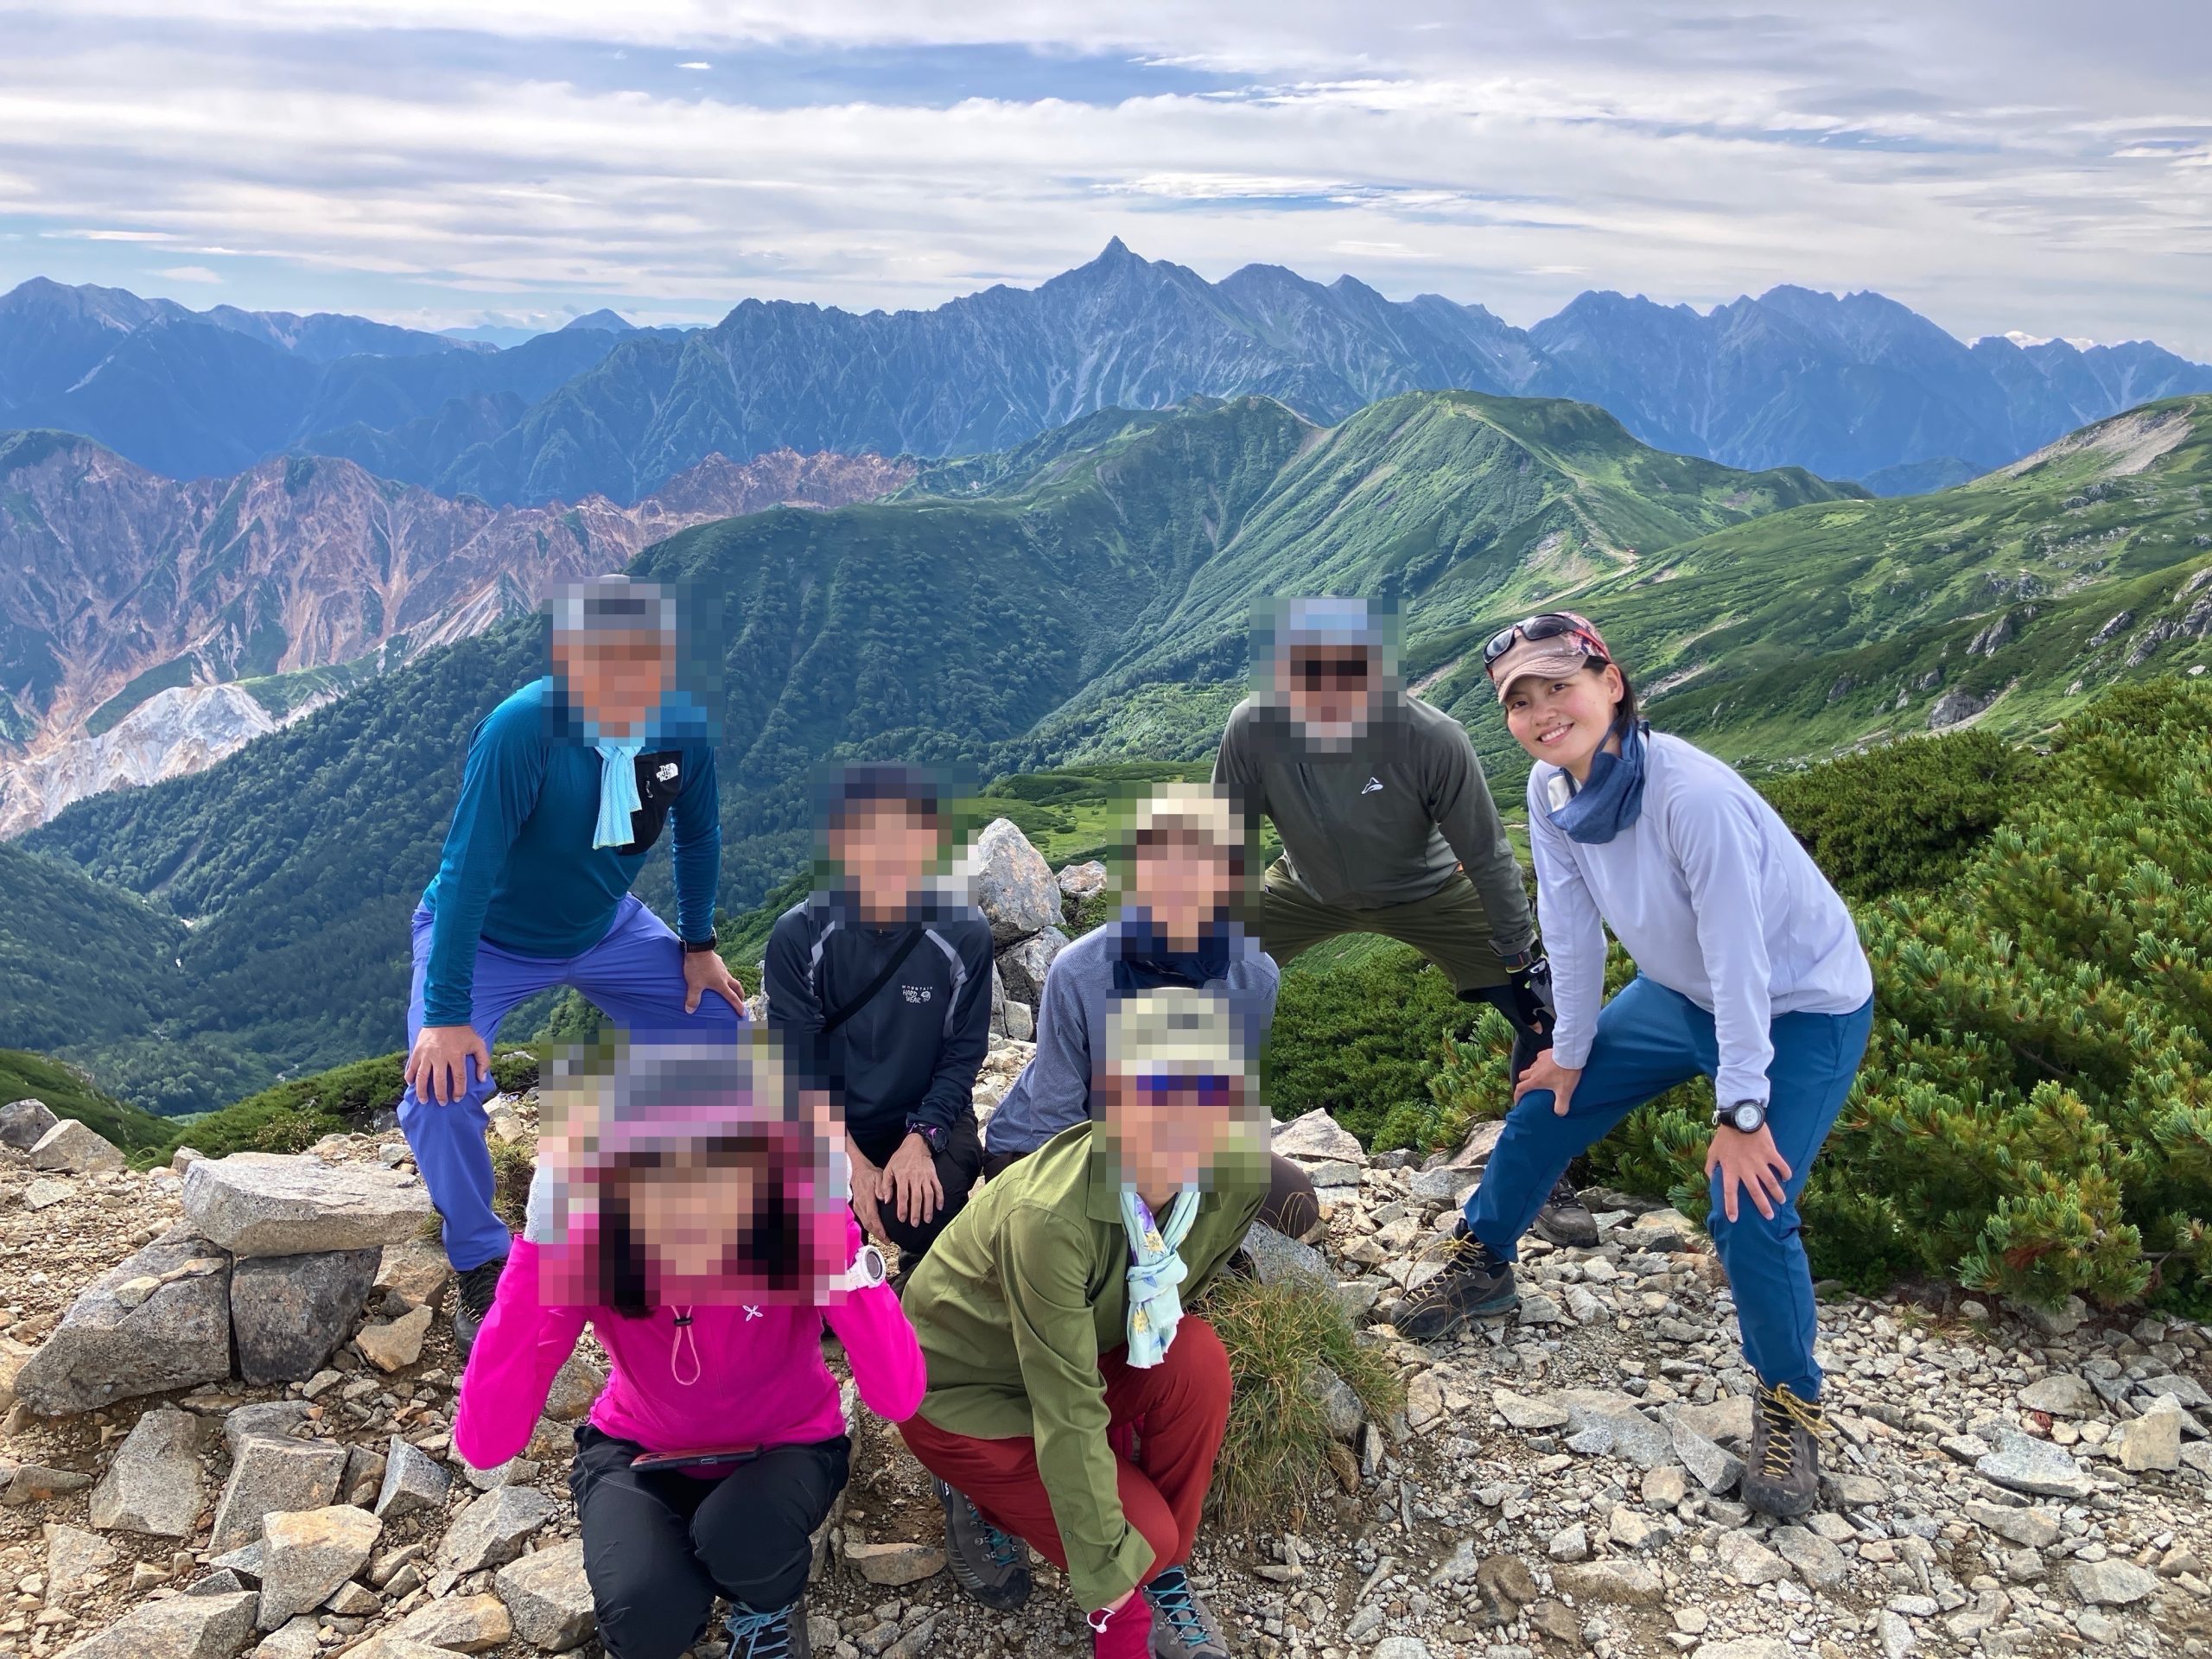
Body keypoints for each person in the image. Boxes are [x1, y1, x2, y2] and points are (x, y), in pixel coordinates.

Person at [1395, 610, 1875, 1518]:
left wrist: (1741, 1111)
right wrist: (1569, 1050)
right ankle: (1484, 1263)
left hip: (1802, 1007)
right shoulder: (1550, 788)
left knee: (1748, 1200)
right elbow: (1569, 925)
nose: (1543, 712)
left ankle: (1790, 1403)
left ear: (1610, 684)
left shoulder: (1691, 797)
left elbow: (1741, 958)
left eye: (1560, 687)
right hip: (1676, 992)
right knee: (1545, 1107)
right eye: (1520, 701)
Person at [453, 1040, 924, 1659]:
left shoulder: (790, 1226)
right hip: (639, 1450)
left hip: (786, 1443)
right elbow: (487, 1443)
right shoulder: (595, 1245)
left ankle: (766, 1606)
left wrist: (836, 1234)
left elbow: (898, 1395)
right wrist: (536, 1255)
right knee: (645, 1617)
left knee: (740, 1537)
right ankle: (699, 1575)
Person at [401, 577, 747, 1356]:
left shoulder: (681, 726)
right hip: (490, 937)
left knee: (722, 1029)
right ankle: (482, 1259)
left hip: (604, 924)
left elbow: (699, 833)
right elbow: (467, 870)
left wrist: (698, 946)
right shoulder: (521, 729)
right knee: (438, 1091)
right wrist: (447, 1015)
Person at [1211, 594, 1595, 1246]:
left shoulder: (1431, 738)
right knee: (1190, 974)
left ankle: (1543, 1176)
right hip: (1306, 888)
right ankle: (1181, 1142)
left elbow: (1486, 853)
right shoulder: (1254, 728)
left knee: (1542, 1011)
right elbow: (1225, 836)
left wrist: (1520, 953)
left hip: (1431, 891)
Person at [899, 988, 1268, 1659]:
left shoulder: (1237, 1179)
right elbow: (1068, 1413)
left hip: (1063, 1357)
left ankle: (1158, 1572)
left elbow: (1165, 1309)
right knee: (1139, 1537)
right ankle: (981, 1494)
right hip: (961, 1390)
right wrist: (1114, 1608)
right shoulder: (1049, 1218)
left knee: (1198, 1361)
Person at [982, 781, 1317, 1240]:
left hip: (1171, 1140)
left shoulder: (1254, 975)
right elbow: (1056, 1120)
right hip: (1054, 1142)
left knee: (1294, 1202)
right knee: (1059, 1224)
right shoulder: (1079, 970)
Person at [763, 764, 994, 1259]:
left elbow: (962, 1055)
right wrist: (848, 1160)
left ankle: (921, 1265)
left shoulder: (964, 932)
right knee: (803, 1218)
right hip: (831, 1119)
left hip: (919, 1108)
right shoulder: (799, 935)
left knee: (923, 1208)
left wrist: (922, 1139)